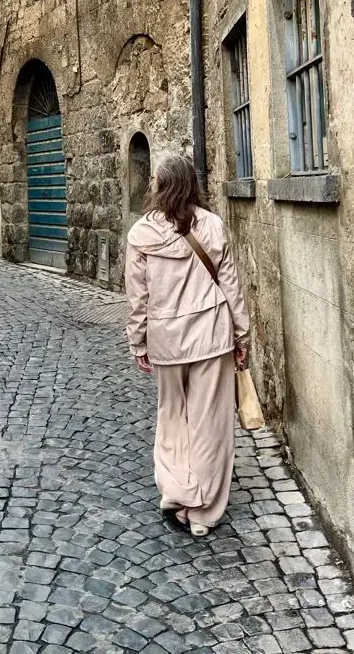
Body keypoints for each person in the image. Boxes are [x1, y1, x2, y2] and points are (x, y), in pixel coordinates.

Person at [125, 152, 250, 537]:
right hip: (211, 335)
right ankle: (203, 512)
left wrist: (138, 342)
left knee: (172, 418)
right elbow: (231, 286)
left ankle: (178, 493)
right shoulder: (212, 225)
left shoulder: (141, 233)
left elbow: (137, 297)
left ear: (159, 186)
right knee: (211, 424)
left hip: (167, 339)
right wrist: (241, 335)